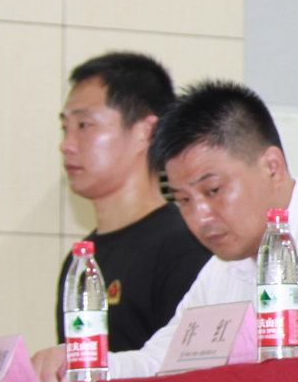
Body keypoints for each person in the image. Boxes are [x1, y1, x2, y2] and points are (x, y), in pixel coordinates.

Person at [104, 80, 298, 375]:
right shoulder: (222, 268)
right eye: (183, 200)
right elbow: (160, 363)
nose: (200, 216)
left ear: (272, 167)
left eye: (213, 190)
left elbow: (282, 373)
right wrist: (87, 365)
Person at [54, 51, 210, 354]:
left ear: (145, 132)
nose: (66, 145)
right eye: (65, 128)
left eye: (84, 125)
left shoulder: (185, 245)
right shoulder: (80, 261)